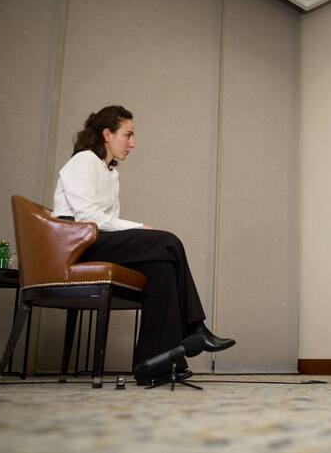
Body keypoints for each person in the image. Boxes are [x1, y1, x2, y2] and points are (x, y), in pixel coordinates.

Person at [52, 105, 235, 385]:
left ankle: (154, 365)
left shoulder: (110, 174)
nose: (132, 143)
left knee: (162, 268)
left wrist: (134, 229)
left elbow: (108, 220)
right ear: (107, 134)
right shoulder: (84, 160)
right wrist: (138, 227)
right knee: (168, 242)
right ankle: (195, 328)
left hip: (97, 239)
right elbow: (88, 218)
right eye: (127, 135)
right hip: (77, 243)